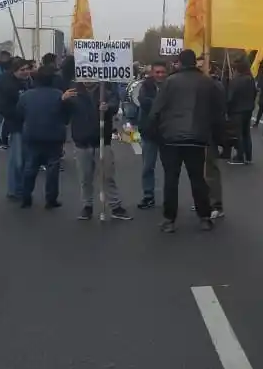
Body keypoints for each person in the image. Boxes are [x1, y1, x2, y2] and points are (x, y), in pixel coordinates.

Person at [145, 49, 226, 232]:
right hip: (197, 138)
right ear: (194, 63)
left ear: (179, 63)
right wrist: (220, 139)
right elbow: (218, 113)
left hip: (171, 139)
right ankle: (204, 217)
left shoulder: (170, 82)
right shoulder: (208, 83)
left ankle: (169, 220)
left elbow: (156, 111)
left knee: (171, 181)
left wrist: (155, 134)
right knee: (198, 179)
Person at [17, 66, 77, 209]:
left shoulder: (26, 96)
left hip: (32, 135)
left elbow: (19, 113)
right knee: (52, 169)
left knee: (30, 167)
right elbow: (67, 115)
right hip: (54, 136)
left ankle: (26, 197)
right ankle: (51, 199)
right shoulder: (59, 95)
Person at [70, 82, 131, 221]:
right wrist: (62, 101)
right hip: (82, 141)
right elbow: (63, 113)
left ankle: (115, 206)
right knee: (85, 177)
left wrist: (108, 107)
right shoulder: (74, 91)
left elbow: (115, 105)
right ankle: (87, 206)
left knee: (107, 175)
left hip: (102, 140)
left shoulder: (106, 90)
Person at [0, 58, 32, 201]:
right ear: (15, 70)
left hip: (27, 125)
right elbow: (4, 107)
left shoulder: (28, 82)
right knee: (17, 160)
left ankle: (19, 188)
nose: (25, 72)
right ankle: (15, 190)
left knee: (23, 159)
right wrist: (18, 115)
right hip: (16, 125)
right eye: (22, 70)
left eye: (27, 69)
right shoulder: (9, 85)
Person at [137, 61, 168, 209]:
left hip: (167, 132)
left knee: (170, 168)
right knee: (147, 167)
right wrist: (163, 103)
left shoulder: (171, 85)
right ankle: (148, 196)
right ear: (152, 73)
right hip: (149, 133)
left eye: (163, 72)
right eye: (158, 72)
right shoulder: (146, 86)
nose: (160, 75)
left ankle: (169, 197)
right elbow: (144, 102)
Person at [203, 56, 228, 218]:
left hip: (209, 134)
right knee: (201, 171)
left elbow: (220, 113)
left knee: (210, 170)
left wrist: (220, 139)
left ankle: (216, 205)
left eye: (202, 66)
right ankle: (204, 201)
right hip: (196, 134)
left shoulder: (215, 86)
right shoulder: (198, 84)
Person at [227, 59, 258, 165]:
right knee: (246, 133)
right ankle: (248, 156)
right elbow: (254, 94)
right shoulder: (250, 79)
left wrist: (227, 110)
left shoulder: (235, 81)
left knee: (238, 134)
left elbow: (230, 98)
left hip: (237, 110)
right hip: (248, 109)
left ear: (237, 70)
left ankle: (239, 156)